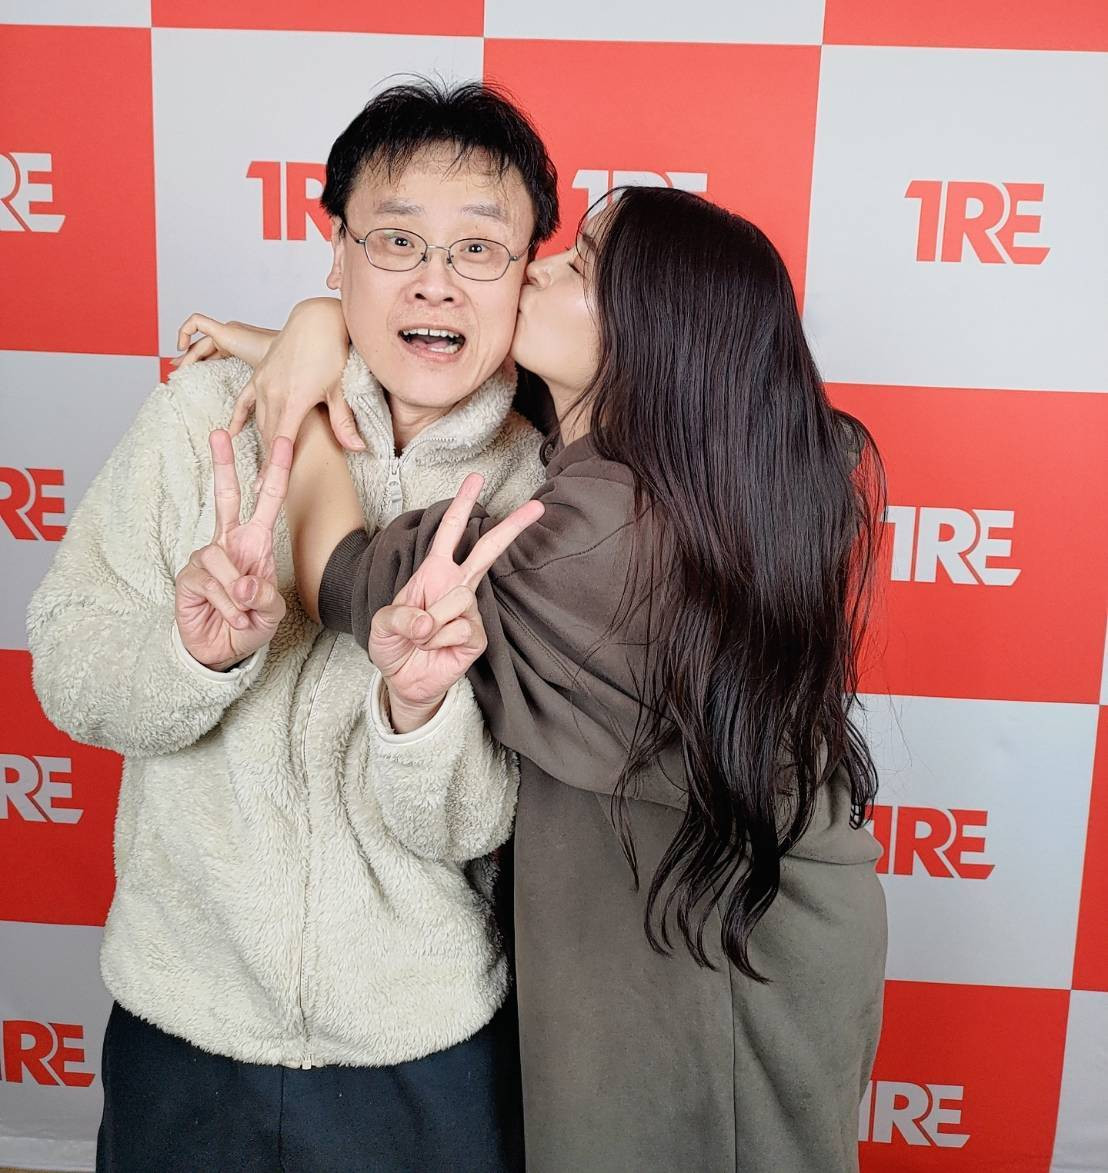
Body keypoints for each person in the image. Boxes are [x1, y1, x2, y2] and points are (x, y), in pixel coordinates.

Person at [202, 185, 890, 1173]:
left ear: (652, 335)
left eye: (581, 266)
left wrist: (298, 413)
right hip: (708, 916)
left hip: (721, 962)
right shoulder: (678, 476)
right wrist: (314, 325)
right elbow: (429, 352)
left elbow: (336, 572)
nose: (537, 267)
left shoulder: (597, 543)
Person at [26, 79, 561, 1172]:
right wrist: (190, 655)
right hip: (187, 1022)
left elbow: (479, 822)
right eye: (397, 240)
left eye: (478, 250)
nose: (436, 281)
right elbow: (68, 662)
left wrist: (418, 713)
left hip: (423, 1048)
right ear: (336, 251)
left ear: (525, 275)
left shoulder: (545, 492)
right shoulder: (204, 414)